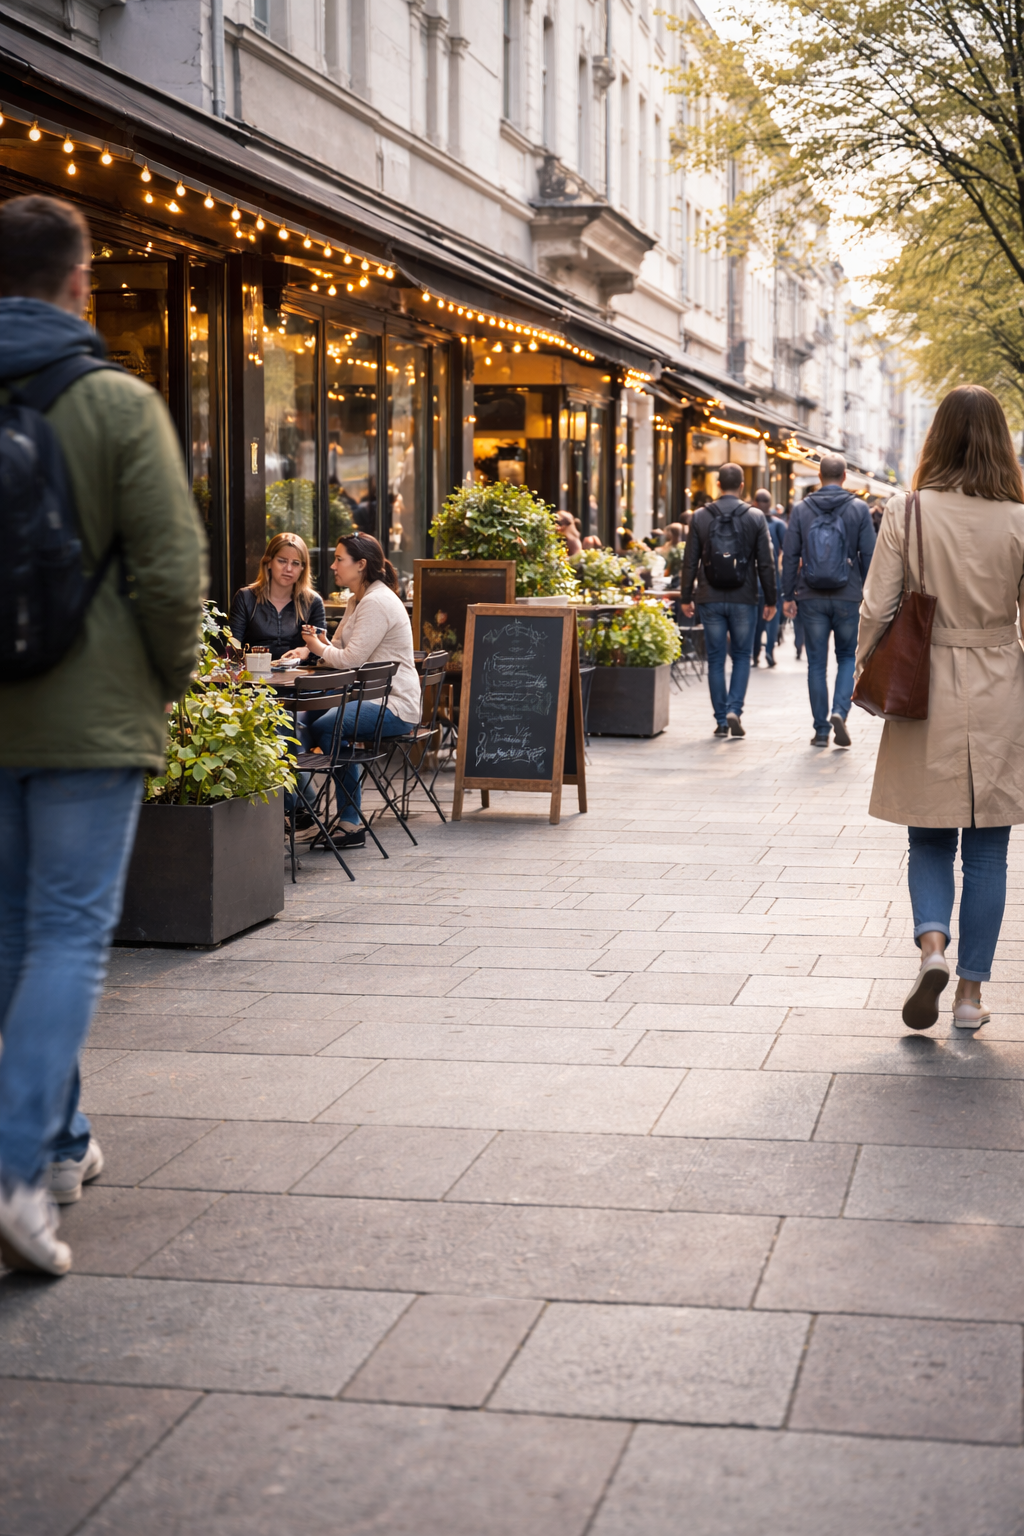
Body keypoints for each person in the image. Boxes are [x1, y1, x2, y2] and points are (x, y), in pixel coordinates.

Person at [0, 195, 205, 1275]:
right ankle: (13, 1171)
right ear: (80, 282)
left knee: (10, 940)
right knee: (71, 937)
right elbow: (173, 574)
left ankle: (64, 1138)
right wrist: (165, 683)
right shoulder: (119, 404)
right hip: (90, 715)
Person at [857, 386, 1024, 1032]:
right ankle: (971, 997)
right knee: (988, 852)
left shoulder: (910, 511)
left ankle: (932, 947)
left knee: (927, 836)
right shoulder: (1019, 519)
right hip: (1001, 684)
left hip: (925, 687)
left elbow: (877, 604)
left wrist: (865, 665)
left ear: (938, 437)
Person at [298, 533, 421, 849]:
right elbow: (337, 646)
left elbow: (349, 660)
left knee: (327, 725)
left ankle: (350, 822)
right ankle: (299, 808)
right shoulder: (357, 600)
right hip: (365, 699)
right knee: (297, 723)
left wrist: (315, 647)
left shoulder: (376, 602)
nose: (333, 565)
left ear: (361, 564)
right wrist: (308, 649)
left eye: (340, 559)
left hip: (393, 705)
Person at [782, 454, 876, 746]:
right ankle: (840, 710)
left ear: (819, 476)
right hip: (848, 595)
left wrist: (787, 595)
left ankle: (821, 730)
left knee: (816, 664)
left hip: (811, 597)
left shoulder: (801, 509)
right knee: (848, 656)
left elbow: (790, 556)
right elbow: (870, 555)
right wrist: (868, 593)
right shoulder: (859, 509)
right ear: (845, 476)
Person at [679, 462, 777, 737]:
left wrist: (686, 596)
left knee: (715, 659)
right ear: (743, 486)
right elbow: (766, 563)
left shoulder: (700, 516)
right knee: (743, 655)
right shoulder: (755, 516)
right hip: (744, 597)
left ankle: (721, 720)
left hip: (709, 597)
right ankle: (735, 708)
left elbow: (690, 561)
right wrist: (771, 600)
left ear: (718, 485)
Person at [229, 532, 326, 660]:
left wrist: (306, 650)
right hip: (255, 675)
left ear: (303, 568)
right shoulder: (246, 598)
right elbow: (231, 648)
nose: (289, 569)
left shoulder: (312, 601)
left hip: (299, 676)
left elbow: (323, 646)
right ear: (268, 562)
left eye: (295, 563)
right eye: (282, 561)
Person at [751, 489, 785, 667]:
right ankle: (770, 651)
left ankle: (755, 653)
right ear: (770, 504)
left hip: (754, 581)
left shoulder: (750, 521)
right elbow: (788, 552)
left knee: (756, 620)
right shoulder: (778, 525)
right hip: (774, 580)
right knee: (772, 617)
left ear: (755, 503)